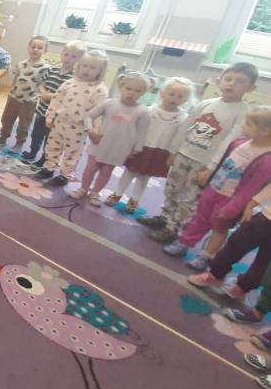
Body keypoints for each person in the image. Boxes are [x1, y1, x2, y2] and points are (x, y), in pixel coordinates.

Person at [139, 62, 258, 244]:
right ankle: (164, 218)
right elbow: (186, 127)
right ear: (219, 81)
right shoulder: (206, 104)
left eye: (240, 82)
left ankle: (173, 228)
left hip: (204, 163)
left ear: (250, 88)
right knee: (172, 188)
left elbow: (229, 143)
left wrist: (211, 168)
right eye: (228, 79)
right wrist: (174, 151)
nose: (232, 84)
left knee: (189, 197)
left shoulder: (242, 112)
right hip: (184, 154)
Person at [164, 105, 271, 270]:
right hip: (214, 189)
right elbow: (223, 163)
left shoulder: (266, 158)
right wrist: (209, 182)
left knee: (220, 228)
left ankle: (206, 255)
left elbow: (251, 188)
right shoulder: (239, 143)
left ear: (264, 131)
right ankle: (184, 242)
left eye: (248, 124)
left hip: (230, 199)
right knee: (199, 219)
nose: (243, 126)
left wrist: (233, 207)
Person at [107, 77, 192, 214]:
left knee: (144, 177)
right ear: (162, 94)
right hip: (141, 147)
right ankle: (117, 194)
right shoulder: (149, 110)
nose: (174, 99)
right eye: (171, 94)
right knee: (129, 172)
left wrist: (173, 154)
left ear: (185, 100)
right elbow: (134, 124)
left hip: (160, 152)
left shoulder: (183, 117)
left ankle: (135, 200)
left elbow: (180, 138)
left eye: (180, 96)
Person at [69, 71, 150, 206]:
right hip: (99, 143)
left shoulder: (143, 111)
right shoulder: (109, 103)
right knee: (91, 167)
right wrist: (90, 130)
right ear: (121, 87)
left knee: (106, 171)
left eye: (137, 91)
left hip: (120, 148)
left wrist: (136, 149)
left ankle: (95, 192)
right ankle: (83, 189)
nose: (131, 93)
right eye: (128, 88)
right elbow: (89, 116)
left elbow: (142, 132)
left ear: (143, 92)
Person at [35, 50, 109, 187]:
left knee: (72, 152)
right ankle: (49, 168)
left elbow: (100, 112)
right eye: (85, 66)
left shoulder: (100, 89)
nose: (87, 70)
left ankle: (65, 175)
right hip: (60, 121)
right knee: (52, 146)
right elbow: (56, 100)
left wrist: (95, 130)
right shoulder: (69, 82)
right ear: (79, 66)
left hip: (79, 127)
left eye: (93, 68)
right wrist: (50, 116)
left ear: (100, 71)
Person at [189, 182, 271, 299]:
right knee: (237, 242)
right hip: (266, 217)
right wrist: (251, 205)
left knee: (265, 262)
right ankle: (214, 275)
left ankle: (243, 287)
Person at [22, 40, 86, 167]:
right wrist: (43, 92)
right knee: (36, 134)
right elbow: (42, 83)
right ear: (61, 54)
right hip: (42, 110)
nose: (68, 59)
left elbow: (69, 96)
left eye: (73, 56)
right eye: (66, 54)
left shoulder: (75, 78)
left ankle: (45, 158)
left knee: (51, 139)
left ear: (79, 60)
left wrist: (51, 96)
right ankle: (33, 152)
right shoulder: (52, 70)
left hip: (57, 116)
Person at [0, 35, 50, 151]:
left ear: (45, 50)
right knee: (7, 119)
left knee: (24, 123)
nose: (35, 49)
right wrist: (11, 90)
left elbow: (44, 84)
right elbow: (16, 78)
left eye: (40, 48)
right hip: (13, 97)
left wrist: (42, 95)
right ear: (28, 48)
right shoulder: (21, 64)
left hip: (29, 101)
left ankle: (19, 142)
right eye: (33, 47)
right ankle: (3, 137)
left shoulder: (45, 68)